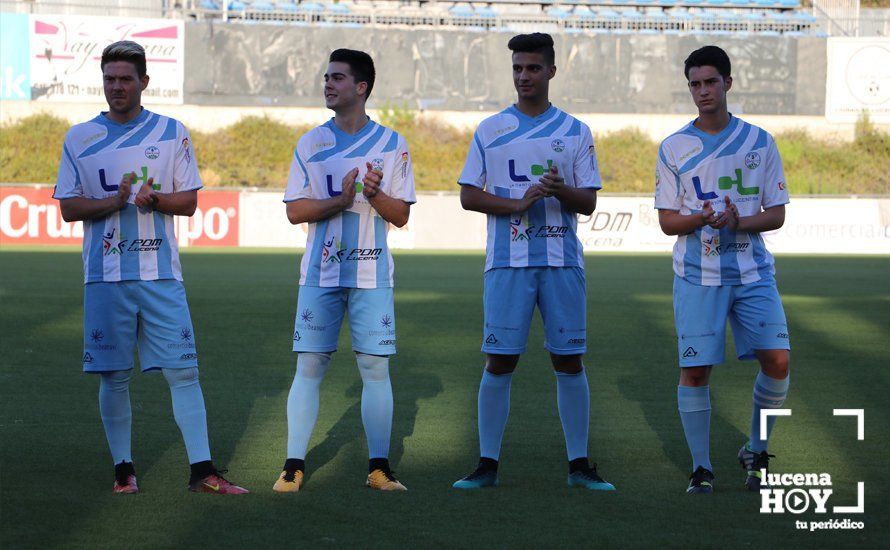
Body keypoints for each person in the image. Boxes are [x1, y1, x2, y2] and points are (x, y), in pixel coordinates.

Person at [54, 41, 247, 494]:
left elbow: (190, 201)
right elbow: (68, 207)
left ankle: (203, 472)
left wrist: (154, 199)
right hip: (104, 276)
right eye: (109, 79)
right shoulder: (79, 137)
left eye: (125, 79)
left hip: (160, 275)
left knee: (184, 371)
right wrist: (114, 201)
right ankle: (124, 469)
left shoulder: (171, 131)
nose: (116, 87)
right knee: (114, 375)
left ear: (144, 81)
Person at [452, 33, 615, 491]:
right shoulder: (490, 129)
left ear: (551, 72)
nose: (524, 76)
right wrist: (518, 205)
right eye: (518, 69)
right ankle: (486, 464)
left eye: (533, 68)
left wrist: (557, 188)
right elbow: (468, 195)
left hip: (562, 262)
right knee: (500, 361)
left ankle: (579, 466)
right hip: (507, 262)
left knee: (569, 361)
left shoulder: (576, 131)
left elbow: (588, 203)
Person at [275, 49, 416, 492]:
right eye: (326, 77)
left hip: (373, 275)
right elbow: (295, 211)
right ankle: (293, 465)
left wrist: (373, 195)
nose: (328, 84)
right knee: (310, 365)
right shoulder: (310, 143)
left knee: (375, 368)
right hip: (320, 274)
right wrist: (338, 202)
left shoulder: (393, 144)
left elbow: (402, 215)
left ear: (362, 87)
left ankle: (379, 468)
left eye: (337, 77)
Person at [655, 45, 791, 494]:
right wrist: (701, 219)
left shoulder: (759, 141)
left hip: (753, 272)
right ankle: (701, 468)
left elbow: (776, 214)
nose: (702, 91)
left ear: (728, 83)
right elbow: (667, 222)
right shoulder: (674, 147)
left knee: (778, 361)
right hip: (698, 275)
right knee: (696, 372)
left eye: (710, 81)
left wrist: (738, 221)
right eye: (694, 83)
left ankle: (756, 448)